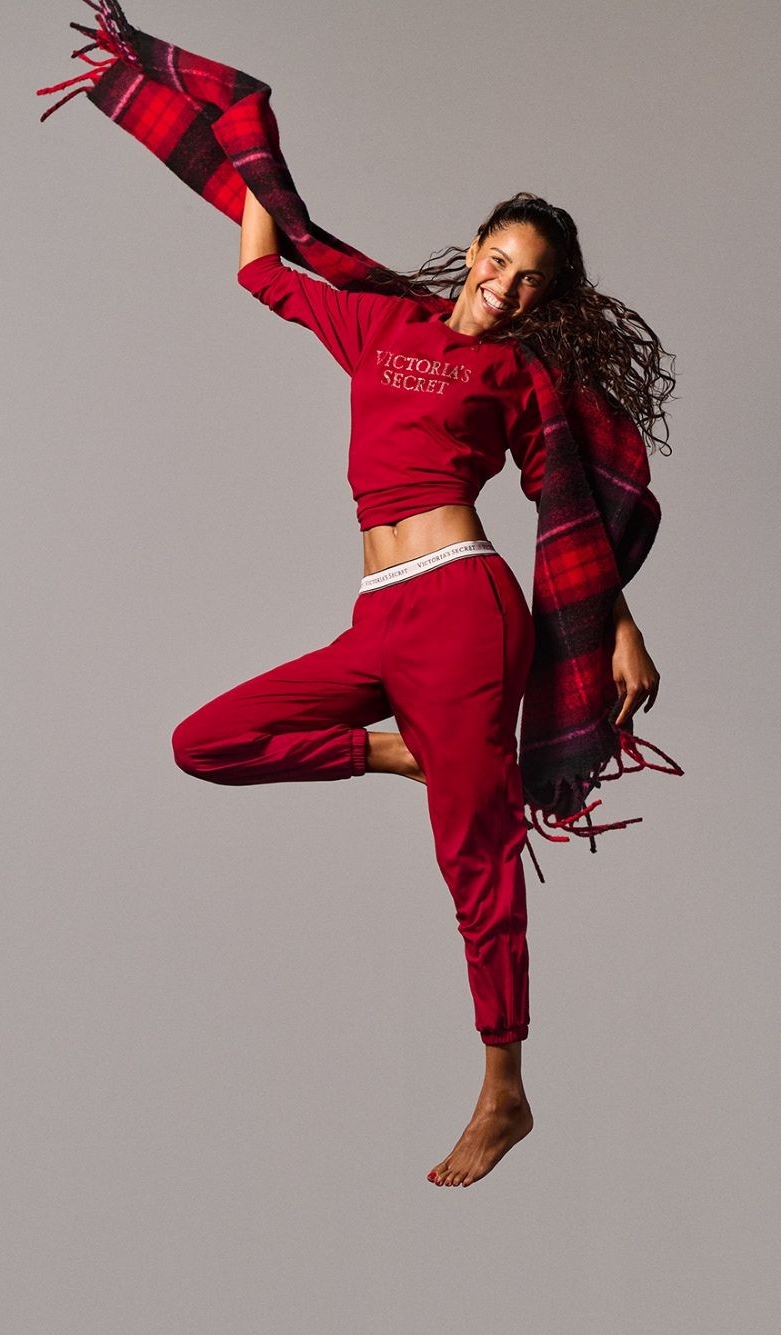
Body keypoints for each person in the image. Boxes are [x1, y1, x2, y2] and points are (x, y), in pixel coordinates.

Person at [170, 185, 670, 1188]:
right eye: (500, 260)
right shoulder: (380, 324)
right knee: (205, 742)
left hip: (463, 608)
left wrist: (619, 624)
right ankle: (405, 753)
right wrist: (244, 137)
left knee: (475, 854)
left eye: (532, 280)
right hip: (379, 618)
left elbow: (568, 511)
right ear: (475, 248)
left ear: (546, 298)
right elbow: (262, 269)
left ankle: (504, 1089)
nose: (506, 286)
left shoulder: (517, 375)